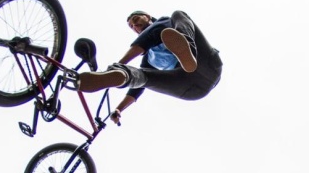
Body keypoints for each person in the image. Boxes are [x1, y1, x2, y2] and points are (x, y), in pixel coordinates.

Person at [77, 10, 223, 125]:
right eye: (132, 27)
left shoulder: (166, 23)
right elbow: (137, 89)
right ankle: (123, 74)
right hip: (190, 88)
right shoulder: (149, 59)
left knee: (177, 14)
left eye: (136, 20)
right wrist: (119, 109)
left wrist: (120, 63)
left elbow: (152, 33)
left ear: (147, 16)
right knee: (142, 76)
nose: (135, 26)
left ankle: (188, 48)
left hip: (207, 63)